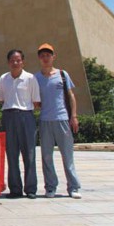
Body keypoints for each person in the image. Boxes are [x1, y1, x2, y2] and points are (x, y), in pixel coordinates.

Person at [35, 43, 82, 199]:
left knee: (67, 156)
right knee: (47, 157)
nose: (45, 58)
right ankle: (50, 187)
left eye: (48, 55)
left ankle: (73, 187)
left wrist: (73, 116)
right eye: (42, 56)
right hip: (45, 121)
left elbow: (71, 96)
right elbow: (35, 100)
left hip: (62, 119)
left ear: (53, 57)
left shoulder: (62, 74)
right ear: (39, 58)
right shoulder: (36, 78)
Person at [0, 49, 41, 199]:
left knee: (29, 154)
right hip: (9, 116)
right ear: (8, 62)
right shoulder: (3, 78)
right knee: (11, 154)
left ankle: (31, 188)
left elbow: (36, 101)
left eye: (18, 60)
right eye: (12, 60)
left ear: (23, 62)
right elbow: (2, 99)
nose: (15, 63)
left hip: (26, 116)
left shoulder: (30, 78)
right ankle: (15, 189)